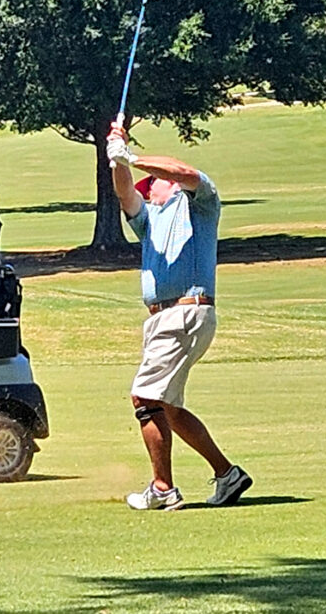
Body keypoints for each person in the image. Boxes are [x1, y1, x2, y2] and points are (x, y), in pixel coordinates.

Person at [106, 121, 251, 511]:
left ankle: (163, 488)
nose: (145, 192)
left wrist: (133, 157)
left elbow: (184, 172)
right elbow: (124, 193)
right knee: (167, 405)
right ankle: (227, 474)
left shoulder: (200, 203)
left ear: (162, 184)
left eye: (149, 185)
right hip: (164, 319)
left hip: (184, 311)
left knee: (145, 397)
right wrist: (116, 153)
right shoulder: (149, 222)